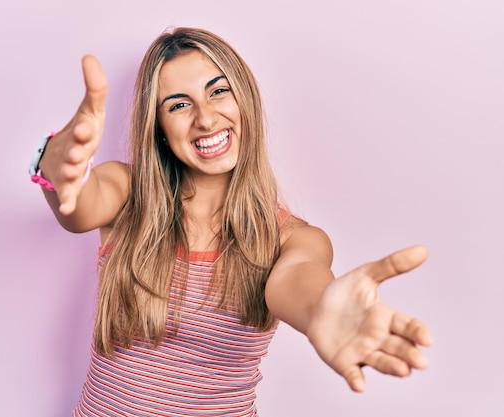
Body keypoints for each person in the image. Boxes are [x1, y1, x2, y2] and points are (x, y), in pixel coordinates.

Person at [29, 27, 432, 417]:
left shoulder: (292, 239)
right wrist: (56, 159)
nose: (205, 119)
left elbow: (300, 283)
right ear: (161, 131)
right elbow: (79, 206)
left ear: (245, 101)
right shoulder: (128, 192)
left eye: (218, 91)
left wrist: (323, 311)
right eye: (179, 104)